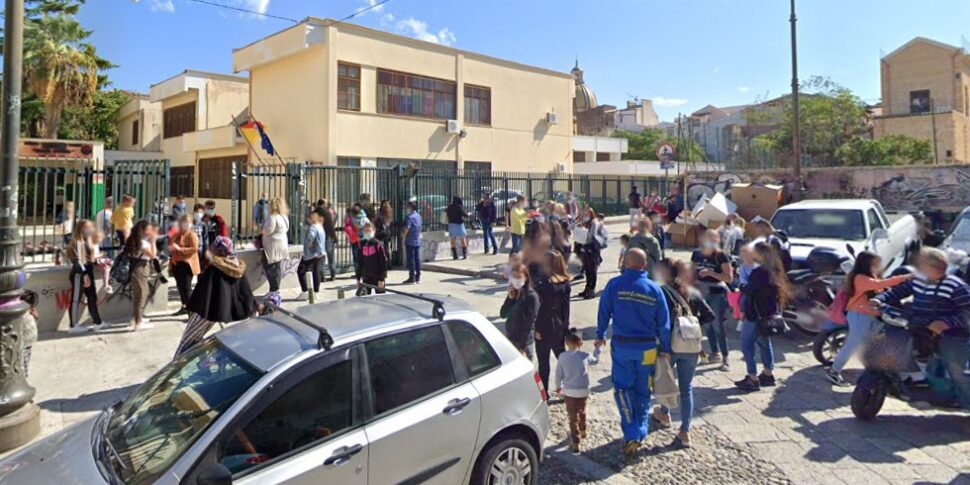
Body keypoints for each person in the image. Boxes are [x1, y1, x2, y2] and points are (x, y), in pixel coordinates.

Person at [596, 248, 671, 457]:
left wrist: (600, 333)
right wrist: (665, 348)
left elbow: (604, 311)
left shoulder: (614, 285)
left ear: (625, 263)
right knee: (643, 390)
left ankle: (632, 431)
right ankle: (641, 429)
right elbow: (664, 323)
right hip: (647, 348)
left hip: (623, 346)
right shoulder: (654, 289)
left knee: (622, 389)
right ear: (644, 266)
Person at [875, 248, 970, 409]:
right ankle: (914, 384)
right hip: (919, 327)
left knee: (957, 372)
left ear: (934, 267)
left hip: (951, 335)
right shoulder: (918, 280)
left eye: (921, 264)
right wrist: (879, 300)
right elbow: (899, 291)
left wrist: (946, 323)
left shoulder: (955, 286)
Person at [651, 258, 716, 449]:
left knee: (666, 381)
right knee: (686, 388)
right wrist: (693, 327)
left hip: (669, 346)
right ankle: (685, 430)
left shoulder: (661, 292)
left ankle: (664, 414)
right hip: (690, 348)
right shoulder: (692, 291)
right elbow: (709, 315)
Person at [825, 251, 911, 386]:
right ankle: (833, 371)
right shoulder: (860, 278)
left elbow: (882, 288)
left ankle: (872, 373)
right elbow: (880, 285)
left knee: (872, 344)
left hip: (870, 317)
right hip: (860, 316)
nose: (878, 265)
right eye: (876, 262)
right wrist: (905, 277)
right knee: (852, 345)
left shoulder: (870, 276)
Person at [174, 237, 256, 357]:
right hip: (217, 313)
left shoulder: (215, 268)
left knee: (187, 341)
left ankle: (175, 368)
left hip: (203, 313)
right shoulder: (237, 268)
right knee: (198, 342)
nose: (210, 248)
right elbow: (244, 292)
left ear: (218, 250)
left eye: (213, 246)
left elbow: (204, 292)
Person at [735, 242, 789, 391]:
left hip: (755, 314)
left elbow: (750, 290)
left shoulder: (760, 272)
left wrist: (740, 286)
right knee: (764, 343)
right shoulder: (774, 270)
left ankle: (752, 378)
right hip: (767, 313)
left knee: (746, 344)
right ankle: (768, 373)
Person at [554, 328, 602, 452]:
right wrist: (598, 348)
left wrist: (558, 386)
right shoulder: (585, 356)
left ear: (566, 342)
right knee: (582, 410)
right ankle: (583, 429)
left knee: (572, 416)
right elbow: (595, 360)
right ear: (581, 343)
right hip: (583, 390)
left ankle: (575, 442)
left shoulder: (562, 357)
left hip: (569, 391)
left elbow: (558, 374)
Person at [692, 229, 734, 369]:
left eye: (712, 238)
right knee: (707, 323)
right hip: (701, 292)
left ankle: (725, 357)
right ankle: (714, 352)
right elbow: (691, 272)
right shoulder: (697, 254)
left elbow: (729, 278)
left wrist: (711, 273)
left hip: (716, 292)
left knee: (718, 325)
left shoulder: (721, 256)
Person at [533, 250, 572, 393]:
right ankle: (570, 387)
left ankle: (544, 393)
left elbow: (544, 309)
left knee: (543, 363)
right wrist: (565, 327)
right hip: (560, 326)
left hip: (546, 328)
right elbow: (566, 308)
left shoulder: (546, 285)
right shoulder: (565, 282)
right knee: (562, 360)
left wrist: (538, 329)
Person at [65, 220, 104, 334]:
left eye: (91, 227)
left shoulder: (88, 241)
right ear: (81, 229)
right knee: (76, 299)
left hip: (88, 272)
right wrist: (85, 275)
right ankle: (73, 325)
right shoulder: (77, 242)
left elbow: (88, 259)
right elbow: (77, 260)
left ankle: (98, 322)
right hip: (79, 274)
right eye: (88, 227)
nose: (91, 229)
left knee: (92, 297)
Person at [500, 261, 539, 359]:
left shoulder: (531, 296)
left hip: (524, 342)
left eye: (519, 277)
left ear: (526, 278)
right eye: (514, 277)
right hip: (511, 336)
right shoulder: (514, 293)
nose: (516, 280)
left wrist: (522, 346)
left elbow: (530, 323)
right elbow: (503, 314)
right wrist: (510, 298)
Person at [126, 220, 158, 331]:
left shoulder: (135, 240)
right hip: (140, 268)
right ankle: (138, 323)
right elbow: (153, 255)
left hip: (136, 268)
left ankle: (136, 318)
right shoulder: (142, 243)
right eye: (149, 229)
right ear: (144, 230)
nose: (151, 231)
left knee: (138, 294)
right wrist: (153, 241)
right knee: (142, 294)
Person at [169, 214, 201, 315]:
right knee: (180, 287)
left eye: (188, 222)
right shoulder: (177, 234)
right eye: (184, 222)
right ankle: (184, 307)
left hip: (187, 265)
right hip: (177, 264)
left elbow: (194, 248)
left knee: (187, 288)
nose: (186, 224)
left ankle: (192, 312)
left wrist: (180, 249)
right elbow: (171, 245)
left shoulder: (192, 235)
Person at [261, 198, 290, 297]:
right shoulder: (284, 217)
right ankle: (275, 289)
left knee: (270, 267)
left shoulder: (272, 217)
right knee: (277, 267)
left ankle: (274, 290)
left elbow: (267, 230)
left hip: (272, 246)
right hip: (282, 244)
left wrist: (262, 230)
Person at [297, 209, 327, 302]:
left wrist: (309, 243)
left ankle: (305, 291)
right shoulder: (320, 226)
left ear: (311, 219)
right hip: (320, 253)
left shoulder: (313, 227)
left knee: (301, 270)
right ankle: (315, 291)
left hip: (311, 253)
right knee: (316, 272)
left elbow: (311, 236)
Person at [578, 208, 608, 300]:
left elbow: (591, 236)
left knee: (592, 270)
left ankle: (592, 290)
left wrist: (582, 232)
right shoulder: (586, 223)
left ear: (591, 214)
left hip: (593, 249)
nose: (585, 215)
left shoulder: (594, 223)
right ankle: (587, 288)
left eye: (587, 213)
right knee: (587, 269)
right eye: (584, 213)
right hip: (586, 248)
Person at [358, 222, 389, 295]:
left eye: (369, 231)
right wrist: (359, 277)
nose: (367, 233)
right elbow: (360, 261)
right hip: (366, 277)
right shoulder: (362, 245)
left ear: (374, 231)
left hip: (377, 277)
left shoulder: (378, 245)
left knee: (381, 297)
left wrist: (382, 278)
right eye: (366, 231)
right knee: (365, 298)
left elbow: (383, 262)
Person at [402, 201, 423, 284]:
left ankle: (412, 277)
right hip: (417, 240)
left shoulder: (410, 217)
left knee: (411, 260)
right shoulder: (418, 216)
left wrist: (403, 236)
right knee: (417, 259)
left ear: (410, 207)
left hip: (410, 240)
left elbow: (407, 228)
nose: (406, 209)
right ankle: (418, 276)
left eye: (407, 207)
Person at [317, 199, 338, 281]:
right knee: (331, 257)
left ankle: (322, 277)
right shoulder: (326, 213)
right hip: (328, 237)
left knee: (321, 257)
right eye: (325, 204)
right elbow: (330, 227)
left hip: (318, 238)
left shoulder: (314, 212)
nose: (326, 205)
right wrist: (335, 238)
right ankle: (333, 275)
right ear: (322, 204)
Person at [20, 290, 38, 378]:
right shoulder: (25, 313)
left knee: (23, 363)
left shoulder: (28, 312)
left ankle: (23, 378)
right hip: (25, 342)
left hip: (26, 342)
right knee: (23, 364)